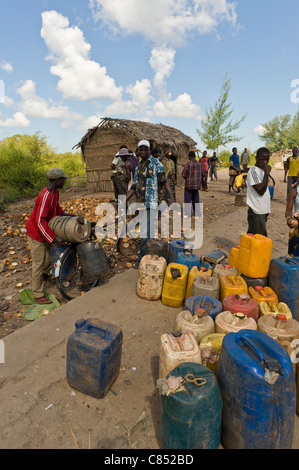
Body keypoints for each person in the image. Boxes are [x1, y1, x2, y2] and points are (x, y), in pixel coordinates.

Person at [25, 168, 73, 304]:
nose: (64, 182)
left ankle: (45, 275)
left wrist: (66, 214)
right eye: (63, 180)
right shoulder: (44, 196)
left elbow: (56, 209)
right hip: (36, 233)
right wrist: (53, 238)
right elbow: (39, 220)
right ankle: (38, 294)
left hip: (44, 231)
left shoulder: (55, 193)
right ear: (56, 180)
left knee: (48, 259)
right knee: (39, 264)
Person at [126, 140, 175, 268]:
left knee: (145, 232)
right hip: (141, 203)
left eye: (145, 149)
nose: (143, 151)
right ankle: (152, 255)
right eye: (140, 149)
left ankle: (142, 258)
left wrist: (171, 197)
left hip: (152, 202)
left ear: (149, 150)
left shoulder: (156, 163)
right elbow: (134, 186)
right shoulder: (138, 168)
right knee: (147, 231)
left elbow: (164, 181)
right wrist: (124, 200)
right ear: (138, 151)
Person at [246, 147, 271, 236]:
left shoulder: (262, 170)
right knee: (259, 239)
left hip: (263, 210)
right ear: (256, 158)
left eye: (267, 160)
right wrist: (267, 175)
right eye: (262, 159)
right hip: (257, 211)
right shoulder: (253, 171)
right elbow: (260, 190)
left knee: (255, 239)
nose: (265, 162)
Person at [182, 151, 203, 218]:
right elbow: (203, 174)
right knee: (196, 199)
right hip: (197, 185)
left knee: (187, 200)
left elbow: (184, 175)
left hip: (189, 185)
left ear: (189, 156)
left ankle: (188, 214)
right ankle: (197, 213)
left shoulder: (187, 164)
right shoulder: (200, 164)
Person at [285, 177, 299, 257]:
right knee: (295, 254)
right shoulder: (294, 192)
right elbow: (288, 210)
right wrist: (288, 219)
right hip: (297, 223)